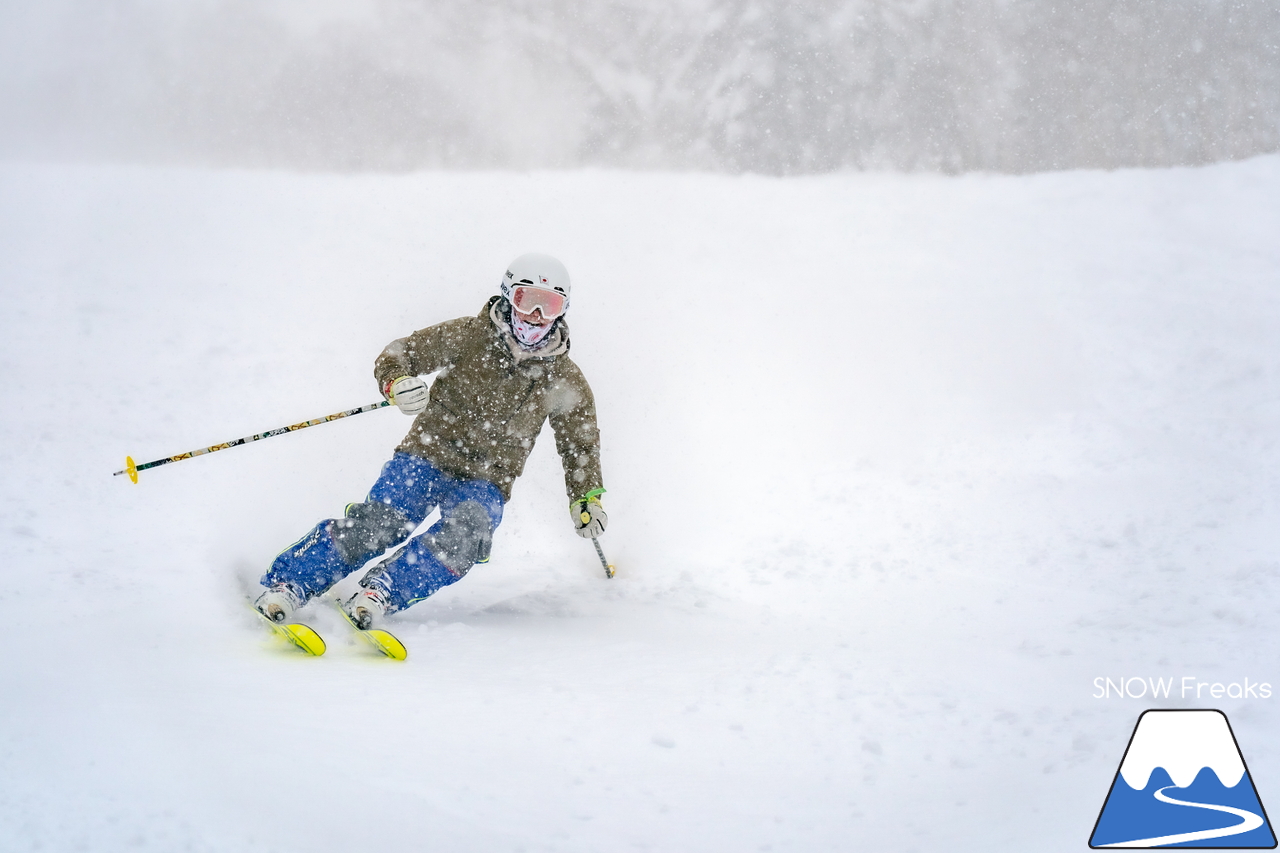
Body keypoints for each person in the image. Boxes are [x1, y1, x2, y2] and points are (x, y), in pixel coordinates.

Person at [253, 252, 607, 629]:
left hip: (488, 479)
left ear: (562, 311)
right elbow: (398, 355)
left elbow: (580, 443)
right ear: (507, 296)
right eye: (526, 300)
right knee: (383, 522)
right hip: (427, 454)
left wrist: (587, 497)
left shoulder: (565, 379)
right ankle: (290, 582)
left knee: (467, 536)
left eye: (548, 305)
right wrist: (398, 382)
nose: (535, 316)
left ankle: (384, 589)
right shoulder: (469, 336)